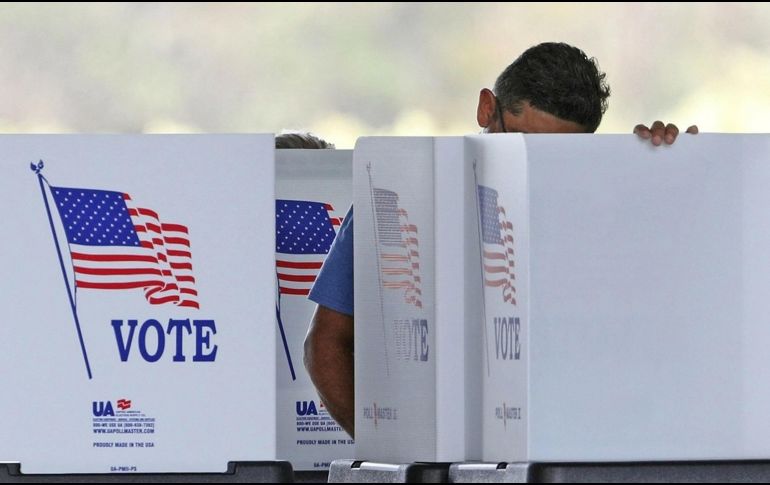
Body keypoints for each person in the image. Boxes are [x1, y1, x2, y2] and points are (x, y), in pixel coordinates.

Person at [303, 42, 698, 438]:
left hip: (576, 450)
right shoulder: (404, 191)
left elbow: (670, 328)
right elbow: (325, 348)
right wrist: (393, 455)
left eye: (557, 155)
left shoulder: (603, 204)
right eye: (521, 145)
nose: (531, 168)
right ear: (486, 109)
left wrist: (675, 171)